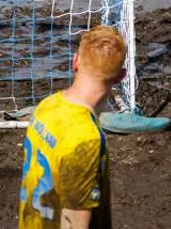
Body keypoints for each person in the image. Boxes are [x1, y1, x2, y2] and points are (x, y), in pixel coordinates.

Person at [18, 25, 127, 229]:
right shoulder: (86, 140)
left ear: (75, 61)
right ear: (121, 76)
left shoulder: (46, 106)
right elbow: (73, 222)